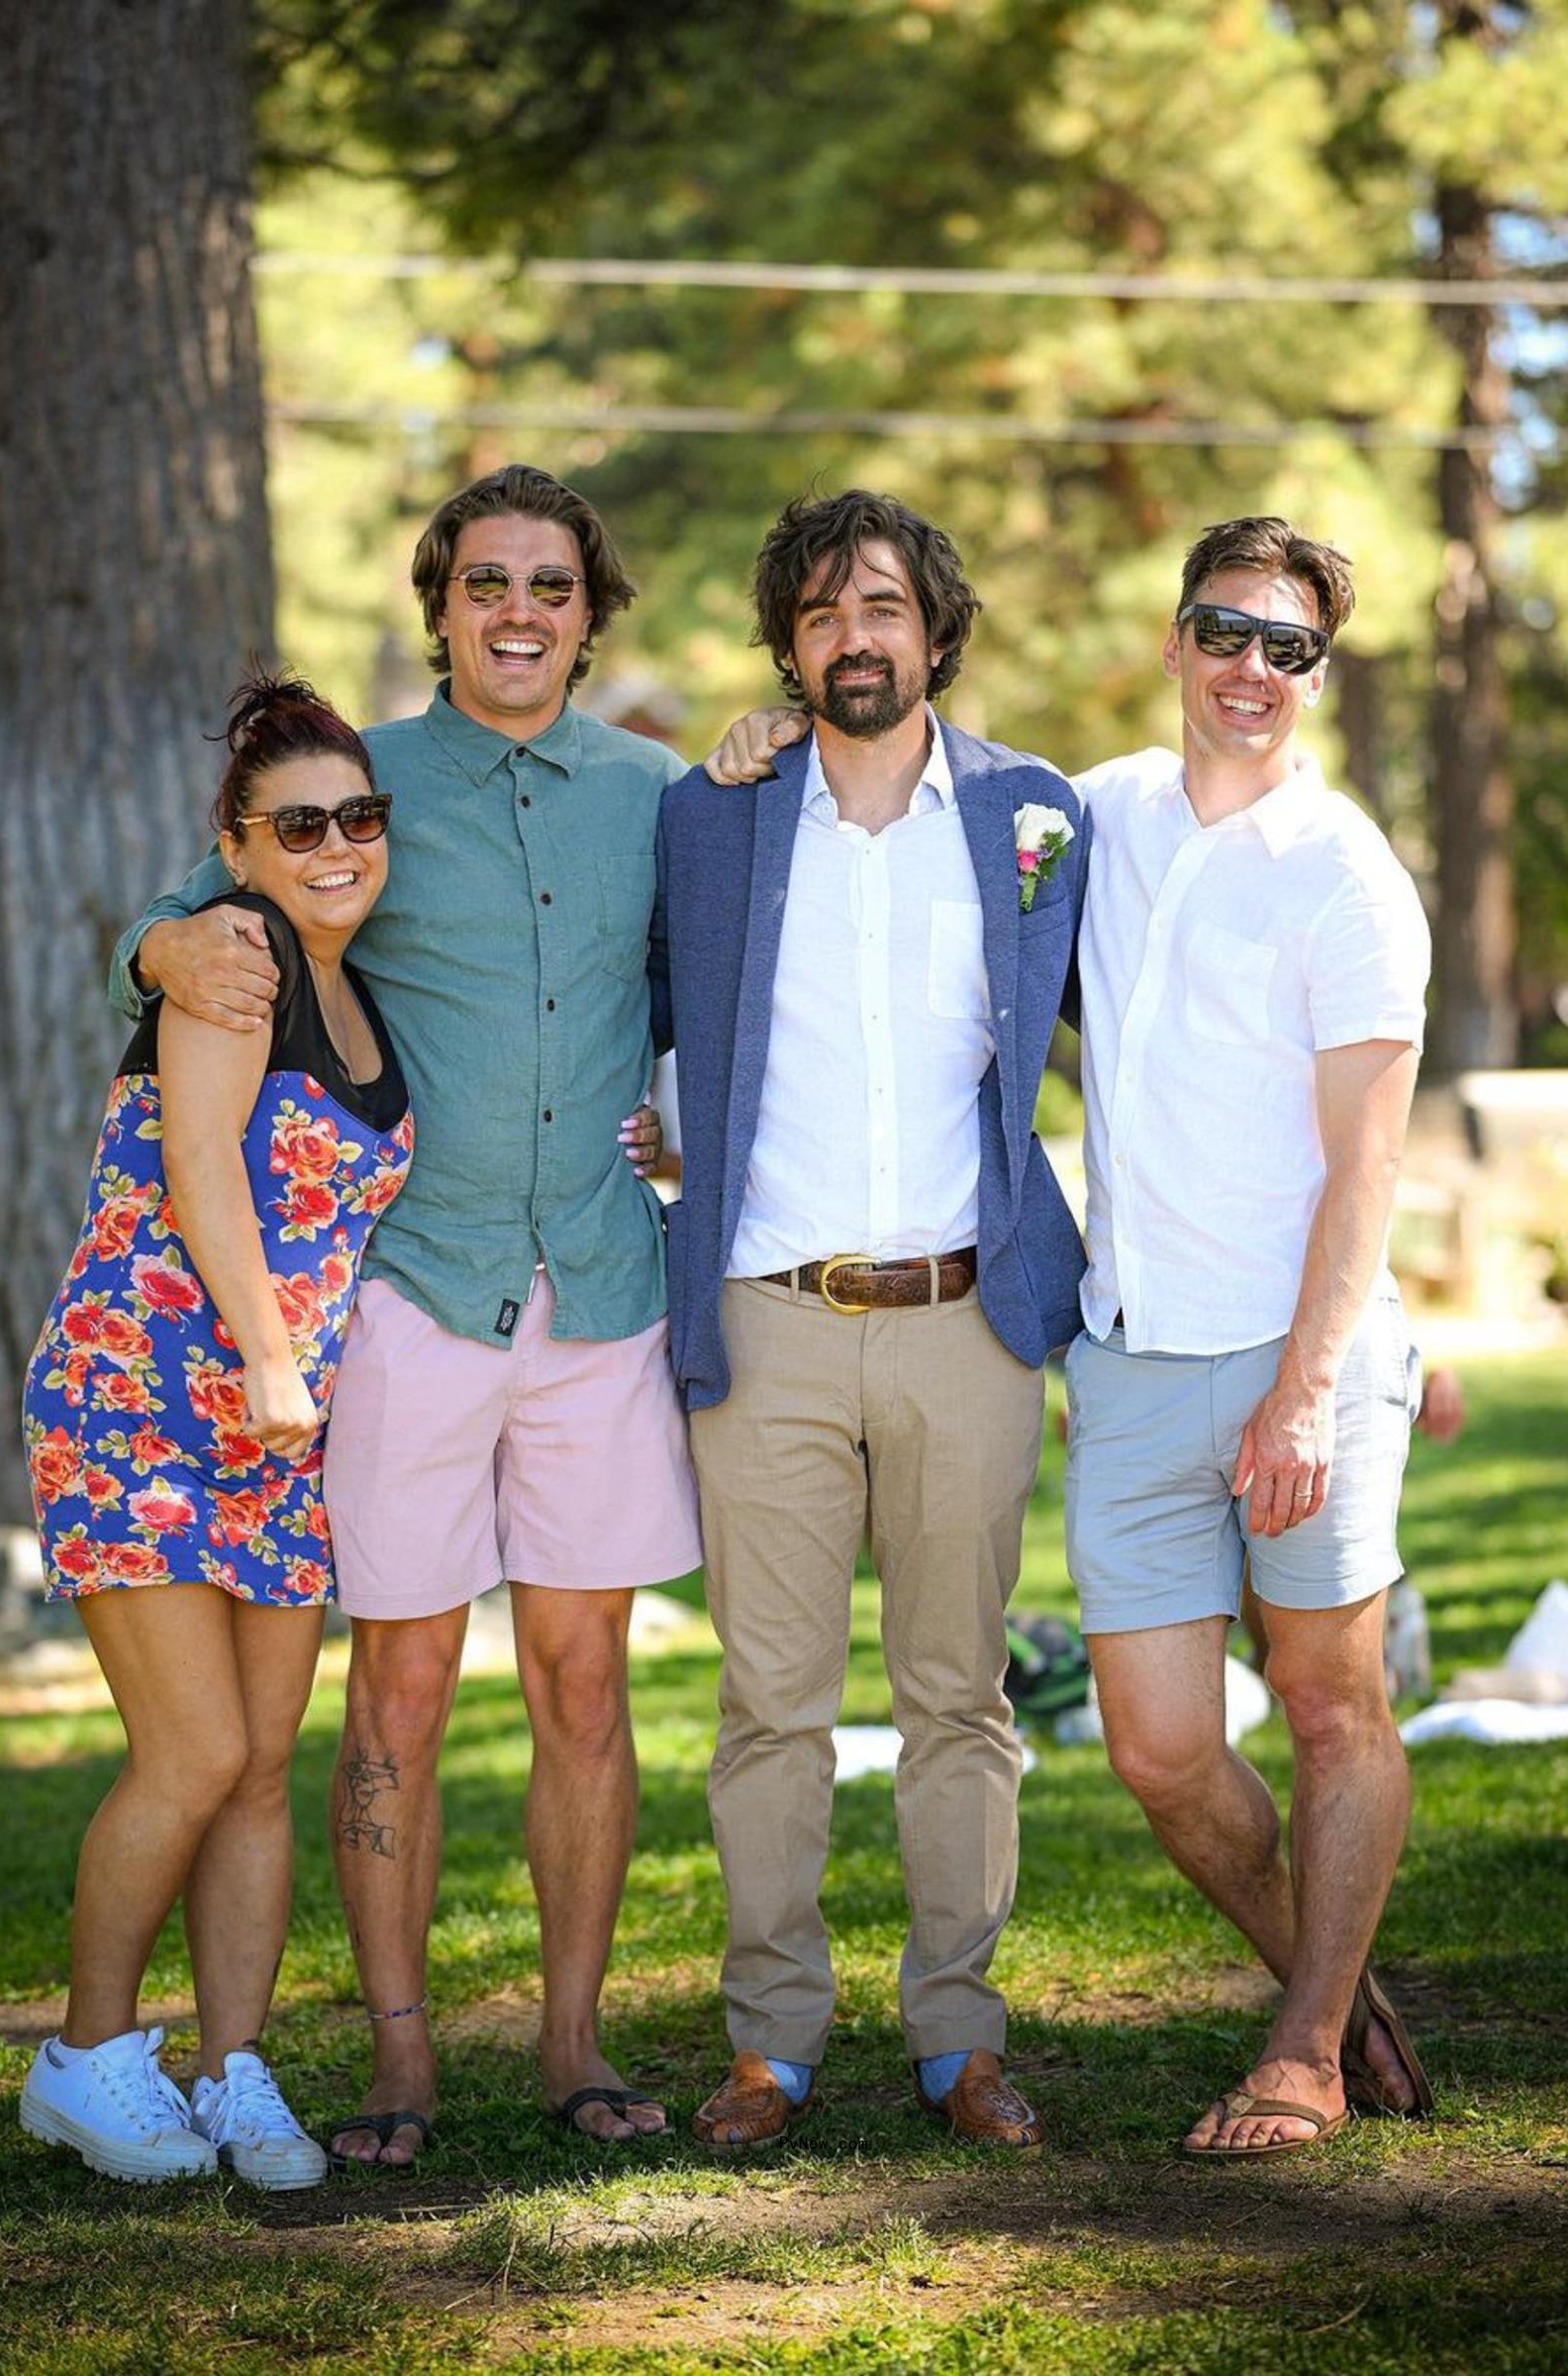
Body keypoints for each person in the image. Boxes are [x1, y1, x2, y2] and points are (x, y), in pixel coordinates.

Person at [109, 466, 702, 2164]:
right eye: (488, 583)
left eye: (553, 587)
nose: (520, 612)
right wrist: (160, 952)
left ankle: (576, 2046)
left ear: (593, 617)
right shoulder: (363, 791)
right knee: (403, 1693)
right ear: (441, 603)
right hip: (410, 1305)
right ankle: (396, 2060)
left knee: (585, 1680)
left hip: (597, 1289)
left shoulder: (656, 796)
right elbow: (199, 903)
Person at [659, 490, 1089, 2151]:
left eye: (888, 606)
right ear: (789, 642)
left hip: (963, 1319)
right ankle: (770, 2045)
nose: (859, 634)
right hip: (761, 1317)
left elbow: (1104, 1030)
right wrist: (655, 1127)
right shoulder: (717, 814)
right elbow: (636, 1007)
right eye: (827, 610)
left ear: (935, 631)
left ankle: (957, 2042)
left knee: (958, 1698)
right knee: (770, 1707)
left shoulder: (1033, 818)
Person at [1063, 518, 1435, 2156]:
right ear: (1174, 640)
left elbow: (1369, 1162)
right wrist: (771, 729)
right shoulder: (1090, 817)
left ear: (1318, 676)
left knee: (1332, 1702)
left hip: (1305, 1361)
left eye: (1289, 648)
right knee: (1156, 1749)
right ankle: (1337, 1990)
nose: (1253, 670)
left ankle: (1298, 2052)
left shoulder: (1346, 873)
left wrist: (1304, 1393)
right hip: (1133, 1356)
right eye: (1228, 631)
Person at [21, 672, 413, 2188]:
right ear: (237, 849)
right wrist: (264, 1356)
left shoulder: (362, 987)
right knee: (187, 1755)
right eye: (298, 823)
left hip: (277, 1423)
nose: (335, 844)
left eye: (358, 817)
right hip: (150, 1395)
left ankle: (234, 2072)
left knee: (259, 1769)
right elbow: (200, 1163)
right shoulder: (233, 958)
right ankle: (88, 2057)